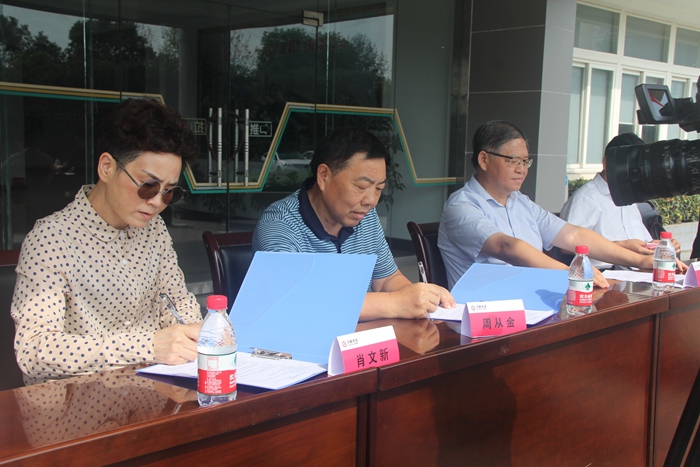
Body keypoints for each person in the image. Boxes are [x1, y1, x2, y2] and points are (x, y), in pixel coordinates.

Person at [12, 99, 203, 385]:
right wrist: (148, 345)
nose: (156, 202)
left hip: (152, 394)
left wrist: (196, 333)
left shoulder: (154, 230)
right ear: (106, 168)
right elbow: (35, 349)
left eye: (169, 192)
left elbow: (176, 301)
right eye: (148, 186)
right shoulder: (52, 239)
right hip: (75, 402)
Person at [437, 120, 688, 289]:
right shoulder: (461, 206)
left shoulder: (521, 203)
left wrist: (641, 261)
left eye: (525, 161)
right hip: (483, 316)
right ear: (484, 160)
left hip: (532, 303)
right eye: (513, 160)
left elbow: (574, 235)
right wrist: (573, 273)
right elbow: (507, 247)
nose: (522, 169)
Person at [253, 127, 456, 321]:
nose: (371, 201)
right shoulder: (280, 224)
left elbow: (386, 279)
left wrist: (419, 297)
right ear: (324, 176)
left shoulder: (364, 216)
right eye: (361, 186)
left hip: (363, 339)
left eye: (379, 188)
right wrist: (395, 303)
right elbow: (297, 300)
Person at [559, 132, 681, 269]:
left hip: (638, 270)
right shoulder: (585, 198)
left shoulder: (629, 197)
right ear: (607, 163)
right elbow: (566, 245)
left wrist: (659, 245)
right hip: (604, 273)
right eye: (629, 166)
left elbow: (642, 241)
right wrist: (622, 246)